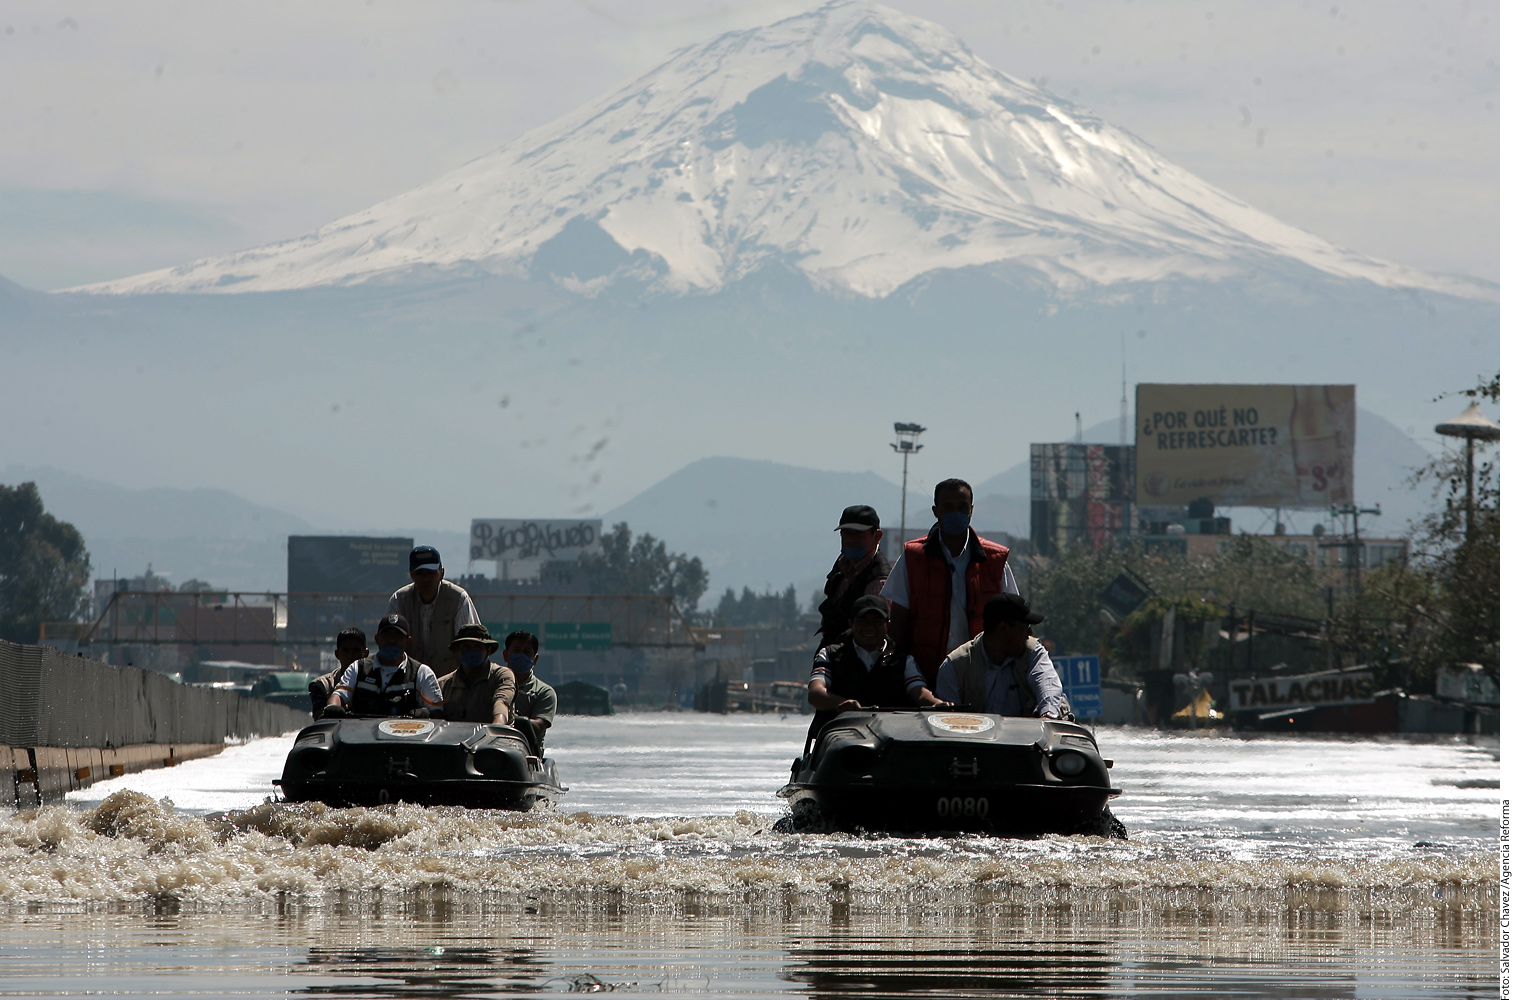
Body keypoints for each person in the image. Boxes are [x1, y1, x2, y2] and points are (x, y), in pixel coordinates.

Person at [881, 478, 1017, 687]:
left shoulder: (995, 560)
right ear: (936, 511)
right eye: (948, 507)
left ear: (971, 509)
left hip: (982, 677)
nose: (956, 512)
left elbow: (1012, 621)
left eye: (962, 506)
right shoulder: (912, 558)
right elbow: (898, 623)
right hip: (924, 677)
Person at [808, 595, 948, 729]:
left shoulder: (904, 660)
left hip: (890, 738)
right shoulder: (829, 654)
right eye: (863, 621)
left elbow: (919, 692)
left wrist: (938, 705)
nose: (870, 627)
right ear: (851, 623)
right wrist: (840, 703)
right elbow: (815, 693)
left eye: (877, 621)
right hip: (840, 734)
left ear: (888, 624)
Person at [935, 593, 1073, 720]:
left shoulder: (1032, 651)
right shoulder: (955, 666)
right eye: (1024, 627)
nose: (1029, 634)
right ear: (1003, 628)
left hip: (1027, 742)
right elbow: (948, 724)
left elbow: (1049, 685)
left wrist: (1047, 716)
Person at [324, 613, 445, 718]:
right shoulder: (358, 668)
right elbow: (339, 695)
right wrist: (333, 707)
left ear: (408, 641)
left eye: (397, 636)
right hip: (361, 740)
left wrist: (425, 714)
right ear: (377, 639)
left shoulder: (421, 673)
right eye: (386, 635)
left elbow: (437, 712)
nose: (391, 640)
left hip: (407, 740)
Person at [388, 544, 481, 680]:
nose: (426, 579)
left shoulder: (458, 599)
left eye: (431, 573)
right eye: (420, 573)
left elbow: (471, 646)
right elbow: (389, 645)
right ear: (412, 575)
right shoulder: (399, 599)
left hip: (451, 684)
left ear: (441, 573)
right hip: (409, 684)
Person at [815, 504, 892, 649]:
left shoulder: (878, 581)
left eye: (859, 534)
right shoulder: (842, 565)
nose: (852, 539)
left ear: (877, 536)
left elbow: (872, 634)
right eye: (847, 533)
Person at [437, 624, 516, 725]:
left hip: (495, 738)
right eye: (465, 647)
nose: (471, 651)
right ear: (457, 650)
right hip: (454, 739)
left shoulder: (501, 675)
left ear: (488, 650)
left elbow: (502, 703)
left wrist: (498, 724)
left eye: (477, 647)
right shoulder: (443, 685)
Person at [503, 629, 558, 748]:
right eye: (516, 651)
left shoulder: (543, 692)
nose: (521, 655)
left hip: (525, 753)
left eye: (526, 653)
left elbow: (537, 728)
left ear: (535, 659)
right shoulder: (493, 684)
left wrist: (507, 716)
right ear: (505, 655)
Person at [307, 627, 368, 720]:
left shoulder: (377, 681)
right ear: (337, 654)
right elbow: (320, 719)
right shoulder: (323, 685)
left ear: (366, 654)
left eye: (356, 651)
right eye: (346, 651)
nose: (351, 656)